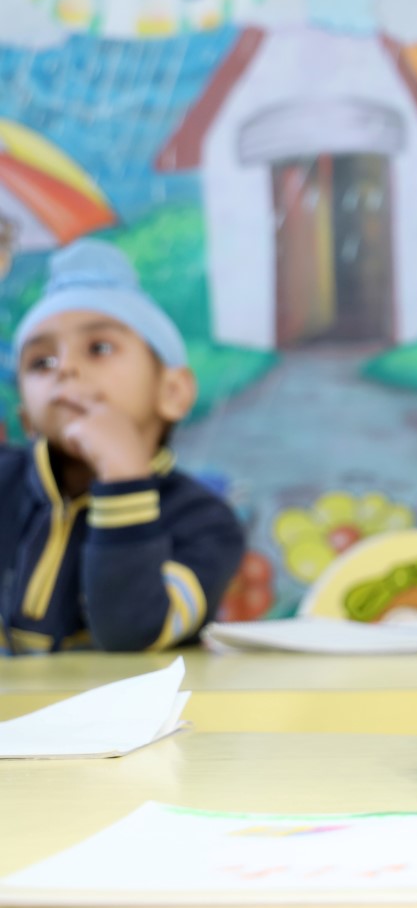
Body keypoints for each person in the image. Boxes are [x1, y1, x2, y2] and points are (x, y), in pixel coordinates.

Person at [2, 239, 243, 654]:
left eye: (99, 348)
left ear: (172, 392)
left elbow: (132, 633)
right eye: (42, 362)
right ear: (27, 419)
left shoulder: (206, 522)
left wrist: (124, 477)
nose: (66, 368)